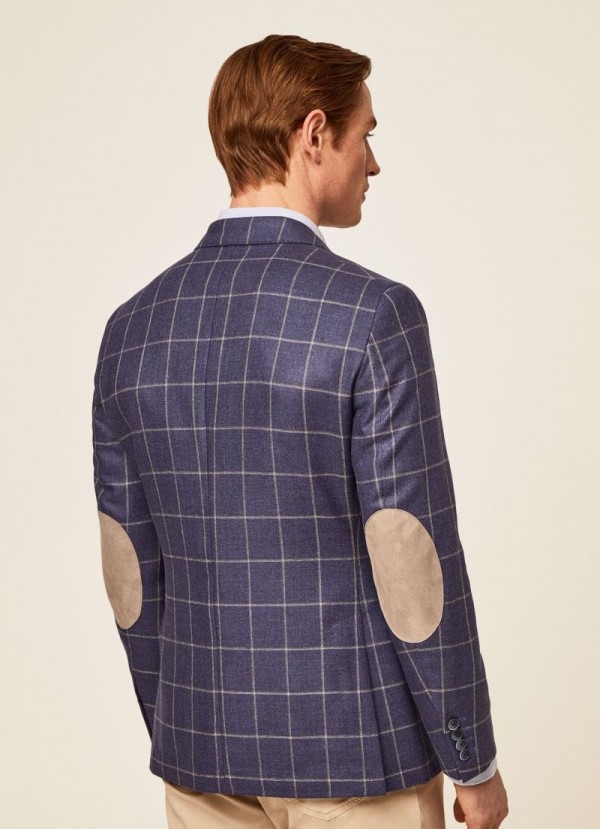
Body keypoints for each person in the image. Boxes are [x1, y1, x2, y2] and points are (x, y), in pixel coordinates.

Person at [92, 34, 509, 829]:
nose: (374, 163)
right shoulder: (374, 314)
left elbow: (129, 573)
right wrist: (472, 757)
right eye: (365, 135)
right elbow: (410, 554)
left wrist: (182, 722)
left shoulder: (132, 329)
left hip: (200, 751)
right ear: (314, 134)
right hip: (357, 761)